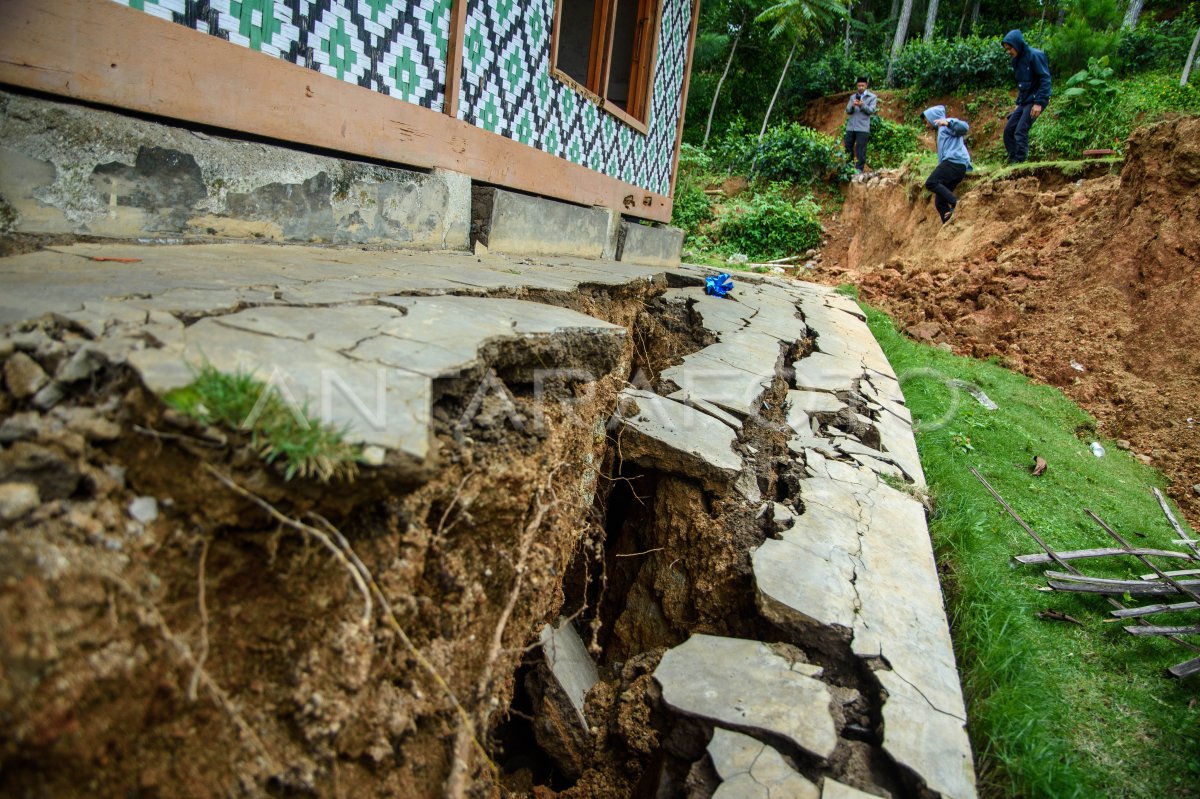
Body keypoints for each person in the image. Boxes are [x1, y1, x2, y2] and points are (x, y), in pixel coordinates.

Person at [1001, 29, 1052, 164]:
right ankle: (1013, 160)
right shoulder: (1016, 61)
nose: (1009, 52)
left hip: (1036, 99)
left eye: (1010, 48)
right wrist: (1019, 103)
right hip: (1024, 100)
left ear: (1017, 44)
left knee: (1020, 130)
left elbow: (1045, 79)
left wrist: (1039, 103)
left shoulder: (1035, 55)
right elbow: (1022, 83)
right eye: (1006, 49)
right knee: (1008, 130)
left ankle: (1020, 162)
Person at [922, 105, 971, 224]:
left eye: (926, 121)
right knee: (940, 202)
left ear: (932, 118)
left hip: (955, 163)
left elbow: (965, 128)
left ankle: (955, 203)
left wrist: (948, 123)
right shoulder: (940, 130)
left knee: (931, 182)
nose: (926, 125)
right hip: (953, 165)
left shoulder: (946, 124)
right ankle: (950, 224)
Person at [843, 77, 877, 173]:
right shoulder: (852, 97)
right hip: (851, 127)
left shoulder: (872, 97)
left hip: (863, 128)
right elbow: (848, 111)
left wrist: (862, 105)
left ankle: (859, 170)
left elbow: (871, 111)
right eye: (858, 86)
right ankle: (848, 168)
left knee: (861, 149)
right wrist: (853, 106)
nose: (860, 87)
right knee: (848, 147)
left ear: (866, 85)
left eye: (862, 85)